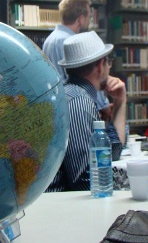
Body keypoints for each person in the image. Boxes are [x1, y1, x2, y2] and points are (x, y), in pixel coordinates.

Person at [46, 31, 127, 192]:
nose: (109, 67)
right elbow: (83, 179)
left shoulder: (75, 94)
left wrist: (120, 101)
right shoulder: (79, 102)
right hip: (61, 206)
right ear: (100, 65)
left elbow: (114, 151)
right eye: (108, 62)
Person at [42, 0, 112, 121]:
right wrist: (103, 104)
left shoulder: (50, 39)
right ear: (80, 19)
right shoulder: (72, 43)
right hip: (77, 107)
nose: (89, 21)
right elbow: (87, 75)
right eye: (89, 17)